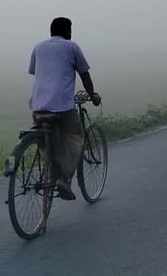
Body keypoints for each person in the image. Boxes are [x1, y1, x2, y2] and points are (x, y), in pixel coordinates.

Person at [28, 17, 101, 200]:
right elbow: (84, 74)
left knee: (47, 140)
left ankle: (49, 169)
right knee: (76, 139)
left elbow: (37, 72)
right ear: (67, 31)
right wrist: (93, 96)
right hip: (62, 106)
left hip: (38, 105)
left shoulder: (38, 47)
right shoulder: (72, 47)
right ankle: (63, 178)